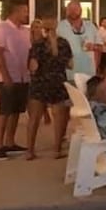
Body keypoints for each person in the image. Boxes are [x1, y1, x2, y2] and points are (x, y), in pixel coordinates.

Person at [27, 15, 72, 159]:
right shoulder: (63, 43)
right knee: (59, 118)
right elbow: (70, 64)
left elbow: (33, 67)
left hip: (40, 83)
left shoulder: (38, 44)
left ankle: (30, 151)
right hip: (56, 82)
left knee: (34, 119)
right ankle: (56, 150)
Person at [0, 0, 30, 159]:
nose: (27, 14)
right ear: (16, 11)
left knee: (16, 111)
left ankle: (10, 142)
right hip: (7, 77)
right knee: (5, 110)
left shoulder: (25, 31)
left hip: (23, 77)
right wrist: (5, 76)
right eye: (24, 11)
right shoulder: (0, 30)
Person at [57, 1, 101, 78]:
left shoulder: (90, 26)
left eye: (75, 9)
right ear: (66, 11)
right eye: (70, 9)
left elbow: (100, 48)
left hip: (89, 73)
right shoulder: (59, 27)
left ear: (81, 10)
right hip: (68, 73)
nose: (73, 11)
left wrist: (94, 47)